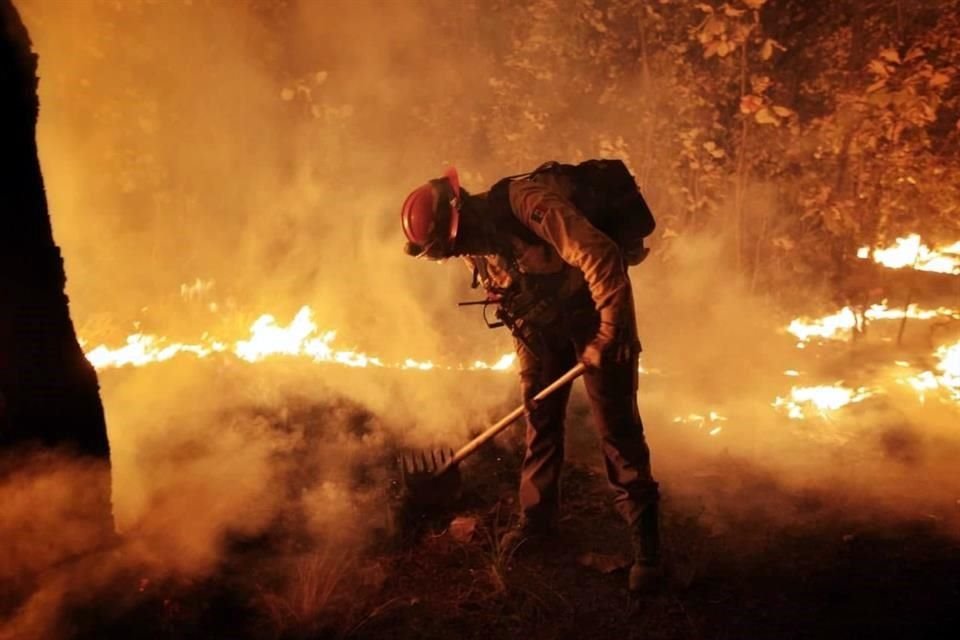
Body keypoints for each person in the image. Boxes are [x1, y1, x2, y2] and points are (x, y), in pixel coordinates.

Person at [400, 166, 662, 591]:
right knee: (539, 417)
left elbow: (599, 254)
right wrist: (529, 376)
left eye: (453, 244)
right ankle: (537, 523)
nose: (458, 252)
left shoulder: (526, 202)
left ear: (461, 213)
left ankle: (648, 552)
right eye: (448, 250)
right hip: (547, 325)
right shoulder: (475, 245)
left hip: (598, 310)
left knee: (616, 430)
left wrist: (611, 332)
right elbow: (513, 307)